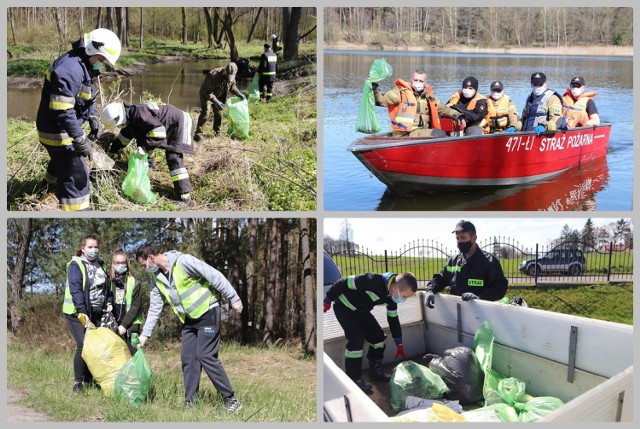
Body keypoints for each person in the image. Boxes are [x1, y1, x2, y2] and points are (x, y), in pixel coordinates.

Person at [135, 244, 244, 412]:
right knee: (188, 358)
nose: (145, 269)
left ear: (151, 258)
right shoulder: (156, 278)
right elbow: (155, 307)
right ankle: (191, 402)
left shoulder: (183, 261)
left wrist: (233, 297)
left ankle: (231, 401)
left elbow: (214, 275)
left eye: (144, 265)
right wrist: (145, 335)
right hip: (189, 319)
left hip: (208, 312)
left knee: (205, 355)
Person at [36, 28, 121, 210]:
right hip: (56, 131)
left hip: (61, 129)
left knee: (60, 161)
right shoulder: (69, 70)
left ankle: (46, 187)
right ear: (91, 50)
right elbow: (62, 110)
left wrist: (92, 116)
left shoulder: (83, 65)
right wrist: (80, 138)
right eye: (101, 60)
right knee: (78, 176)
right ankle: (79, 210)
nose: (101, 65)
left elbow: (85, 96)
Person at [323, 272, 418, 394]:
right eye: (404, 296)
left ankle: (375, 372)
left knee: (378, 338)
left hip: (362, 311)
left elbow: (393, 319)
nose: (403, 300)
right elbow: (344, 282)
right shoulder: (373, 281)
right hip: (344, 307)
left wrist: (399, 342)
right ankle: (354, 379)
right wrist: (328, 298)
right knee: (356, 340)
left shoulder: (392, 298)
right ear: (395, 288)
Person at [101, 101, 195, 206]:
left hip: (180, 122)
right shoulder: (131, 115)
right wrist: (112, 151)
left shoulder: (138, 114)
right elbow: (124, 137)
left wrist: (144, 149)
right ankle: (150, 165)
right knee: (142, 139)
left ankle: (184, 196)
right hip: (173, 121)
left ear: (119, 117)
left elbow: (159, 133)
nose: (120, 126)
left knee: (173, 156)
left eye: (119, 125)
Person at [62, 234, 113, 393]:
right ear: (83, 248)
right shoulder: (75, 265)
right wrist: (83, 313)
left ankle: (92, 380)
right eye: (90, 247)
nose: (93, 250)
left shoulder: (101, 265)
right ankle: (78, 382)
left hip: (98, 312)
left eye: (96, 247)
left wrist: (109, 301)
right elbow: (76, 290)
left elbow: (107, 287)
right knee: (83, 345)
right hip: (77, 313)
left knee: (96, 346)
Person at [424, 220, 508, 311]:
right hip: (457, 312)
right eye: (457, 238)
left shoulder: (489, 262)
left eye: (463, 238)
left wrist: (480, 298)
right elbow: (441, 278)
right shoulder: (453, 261)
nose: (459, 241)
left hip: (481, 314)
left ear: (474, 238)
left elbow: (499, 287)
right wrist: (430, 290)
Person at [373, 68, 464, 138]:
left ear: (425, 83)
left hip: (422, 133)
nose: (418, 83)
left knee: (443, 133)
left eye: (421, 81)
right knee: (439, 133)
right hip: (404, 134)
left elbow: (443, 109)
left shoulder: (429, 96)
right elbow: (381, 100)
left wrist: (458, 115)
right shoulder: (401, 92)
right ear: (411, 80)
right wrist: (375, 89)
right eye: (416, 80)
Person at [194, 62, 246, 142]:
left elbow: (232, 87)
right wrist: (216, 101)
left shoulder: (231, 75)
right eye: (227, 74)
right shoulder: (213, 75)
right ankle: (198, 134)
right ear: (224, 70)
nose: (229, 77)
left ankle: (217, 132)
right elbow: (207, 91)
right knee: (206, 112)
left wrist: (238, 93)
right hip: (207, 94)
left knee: (219, 113)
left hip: (220, 96)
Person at [110, 249, 143, 355]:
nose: (120, 265)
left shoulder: (134, 283)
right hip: (113, 325)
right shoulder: (109, 283)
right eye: (117, 263)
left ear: (127, 264)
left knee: (135, 354)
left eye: (123, 262)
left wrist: (123, 326)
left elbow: (135, 306)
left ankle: (138, 372)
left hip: (131, 326)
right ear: (113, 264)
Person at [521, 72, 567, 136]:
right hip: (526, 134)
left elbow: (557, 119)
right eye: (535, 84)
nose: (537, 86)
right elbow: (523, 118)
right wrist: (514, 126)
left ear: (545, 84)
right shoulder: (529, 98)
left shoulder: (552, 98)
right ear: (531, 84)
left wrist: (544, 126)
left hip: (542, 133)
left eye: (540, 84)